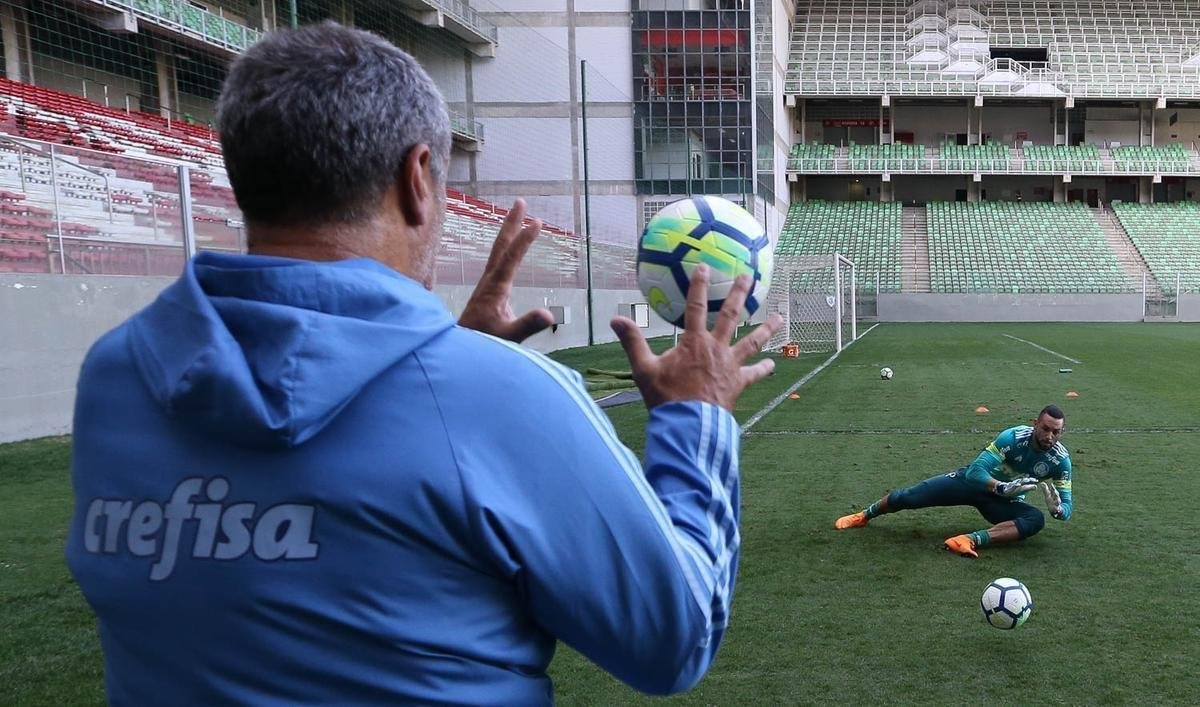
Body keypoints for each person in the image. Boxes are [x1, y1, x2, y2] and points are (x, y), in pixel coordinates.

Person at [64, 21, 783, 704]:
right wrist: (696, 417)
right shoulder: (500, 399)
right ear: (416, 177)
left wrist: (443, 365)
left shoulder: (115, 377)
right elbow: (672, 638)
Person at [834, 406, 1073, 558]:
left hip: (1001, 503)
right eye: (1045, 429)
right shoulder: (1012, 437)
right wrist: (1000, 486)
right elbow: (975, 472)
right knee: (908, 497)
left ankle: (968, 540)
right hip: (972, 485)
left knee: (1036, 519)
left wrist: (1058, 510)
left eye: (1056, 432)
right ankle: (864, 516)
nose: (1049, 436)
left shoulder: (1060, 461)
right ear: (1035, 424)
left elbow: (1068, 508)